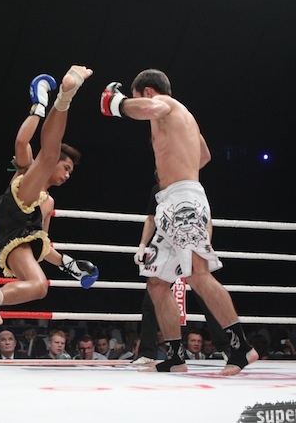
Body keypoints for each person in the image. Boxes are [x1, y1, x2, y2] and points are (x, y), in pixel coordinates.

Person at [101, 69, 258, 375]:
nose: (137, 104)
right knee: (157, 283)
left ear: (147, 91)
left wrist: (115, 104)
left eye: (135, 97)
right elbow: (204, 156)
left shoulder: (165, 104)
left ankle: (241, 347)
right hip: (172, 202)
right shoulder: (185, 119)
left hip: (184, 201)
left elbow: (149, 108)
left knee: (198, 274)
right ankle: (175, 356)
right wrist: (178, 163)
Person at [0, 66, 98, 328]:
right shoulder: (28, 168)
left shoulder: (48, 203)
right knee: (46, 158)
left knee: (39, 287)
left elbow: (42, 242)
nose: (67, 175)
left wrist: (68, 263)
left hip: (14, 238)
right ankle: (65, 96)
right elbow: (21, 142)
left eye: (70, 172)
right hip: (17, 204)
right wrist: (38, 107)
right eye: (66, 168)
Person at [132, 178, 230, 363]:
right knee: (152, 298)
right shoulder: (157, 189)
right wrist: (142, 245)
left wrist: (204, 245)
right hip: (165, 248)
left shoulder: (191, 188)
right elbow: (151, 218)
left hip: (190, 244)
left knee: (205, 294)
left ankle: (226, 347)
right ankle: (147, 353)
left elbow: (206, 219)